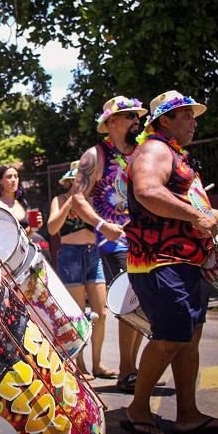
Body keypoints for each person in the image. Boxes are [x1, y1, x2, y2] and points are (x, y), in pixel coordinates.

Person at [122, 90, 218, 434]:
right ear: (165, 120)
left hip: (186, 262)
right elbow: (147, 190)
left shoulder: (178, 158)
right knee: (170, 336)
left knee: (188, 339)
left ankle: (188, 415)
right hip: (160, 262)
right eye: (186, 116)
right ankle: (138, 408)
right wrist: (194, 215)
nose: (194, 122)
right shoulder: (155, 150)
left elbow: (206, 212)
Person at [70, 95, 149, 393]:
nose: (135, 121)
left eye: (135, 116)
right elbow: (78, 198)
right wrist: (104, 226)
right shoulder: (95, 155)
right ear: (111, 122)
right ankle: (128, 370)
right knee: (130, 300)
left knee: (142, 303)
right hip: (112, 242)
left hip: (145, 239)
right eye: (128, 116)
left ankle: (131, 367)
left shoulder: (143, 152)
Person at [47, 161, 115, 380]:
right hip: (70, 255)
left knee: (101, 312)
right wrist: (70, 204)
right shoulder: (59, 200)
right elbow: (52, 228)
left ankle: (98, 363)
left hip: (92, 254)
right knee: (78, 315)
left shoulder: (93, 201)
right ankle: (79, 364)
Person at [0, 165, 44, 234]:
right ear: (0, 181)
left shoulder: (23, 202)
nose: (13, 180)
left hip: (23, 244)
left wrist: (34, 227)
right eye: (9, 177)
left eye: (16, 176)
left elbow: (25, 236)